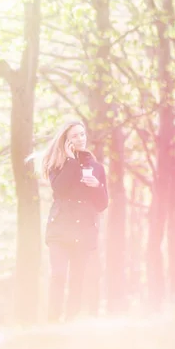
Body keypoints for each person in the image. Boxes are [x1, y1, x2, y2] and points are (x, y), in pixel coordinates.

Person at [41, 120, 108, 322]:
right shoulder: (56, 165)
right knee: (58, 275)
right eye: (75, 136)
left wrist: (97, 186)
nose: (80, 139)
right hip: (60, 229)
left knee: (77, 278)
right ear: (66, 142)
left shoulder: (96, 167)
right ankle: (53, 319)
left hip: (84, 230)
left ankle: (71, 320)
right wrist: (70, 161)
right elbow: (59, 190)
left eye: (82, 134)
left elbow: (102, 204)